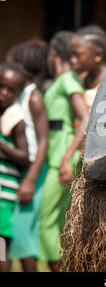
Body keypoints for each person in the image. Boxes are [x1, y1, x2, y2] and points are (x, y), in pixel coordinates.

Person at [39, 31, 89, 271]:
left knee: (44, 221)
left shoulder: (67, 79)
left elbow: (85, 118)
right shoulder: (63, 80)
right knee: (58, 221)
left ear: (55, 53)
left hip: (61, 156)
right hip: (56, 155)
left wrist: (68, 158)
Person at [6, 41, 49, 272]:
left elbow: (43, 141)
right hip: (20, 167)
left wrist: (31, 179)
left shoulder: (33, 97)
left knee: (23, 233)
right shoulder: (17, 94)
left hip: (34, 170)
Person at [0, 62, 29, 272]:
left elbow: (24, 156)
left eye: (11, 90)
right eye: (1, 86)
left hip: (4, 195)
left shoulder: (15, 118)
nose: (4, 93)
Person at [71, 25, 106, 111]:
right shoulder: (79, 80)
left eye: (77, 55)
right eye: (72, 54)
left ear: (98, 54)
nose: (72, 60)